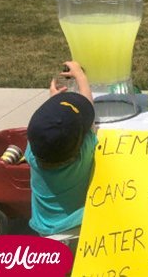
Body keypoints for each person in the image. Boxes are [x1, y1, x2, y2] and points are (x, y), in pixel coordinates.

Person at [25, 60, 96, 236]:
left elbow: (48, 132)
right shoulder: (83, 156)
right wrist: (80, 76)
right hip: (79, 228)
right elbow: (90, 114)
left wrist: (56, 103)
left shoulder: (32, 155)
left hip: (45, 230)